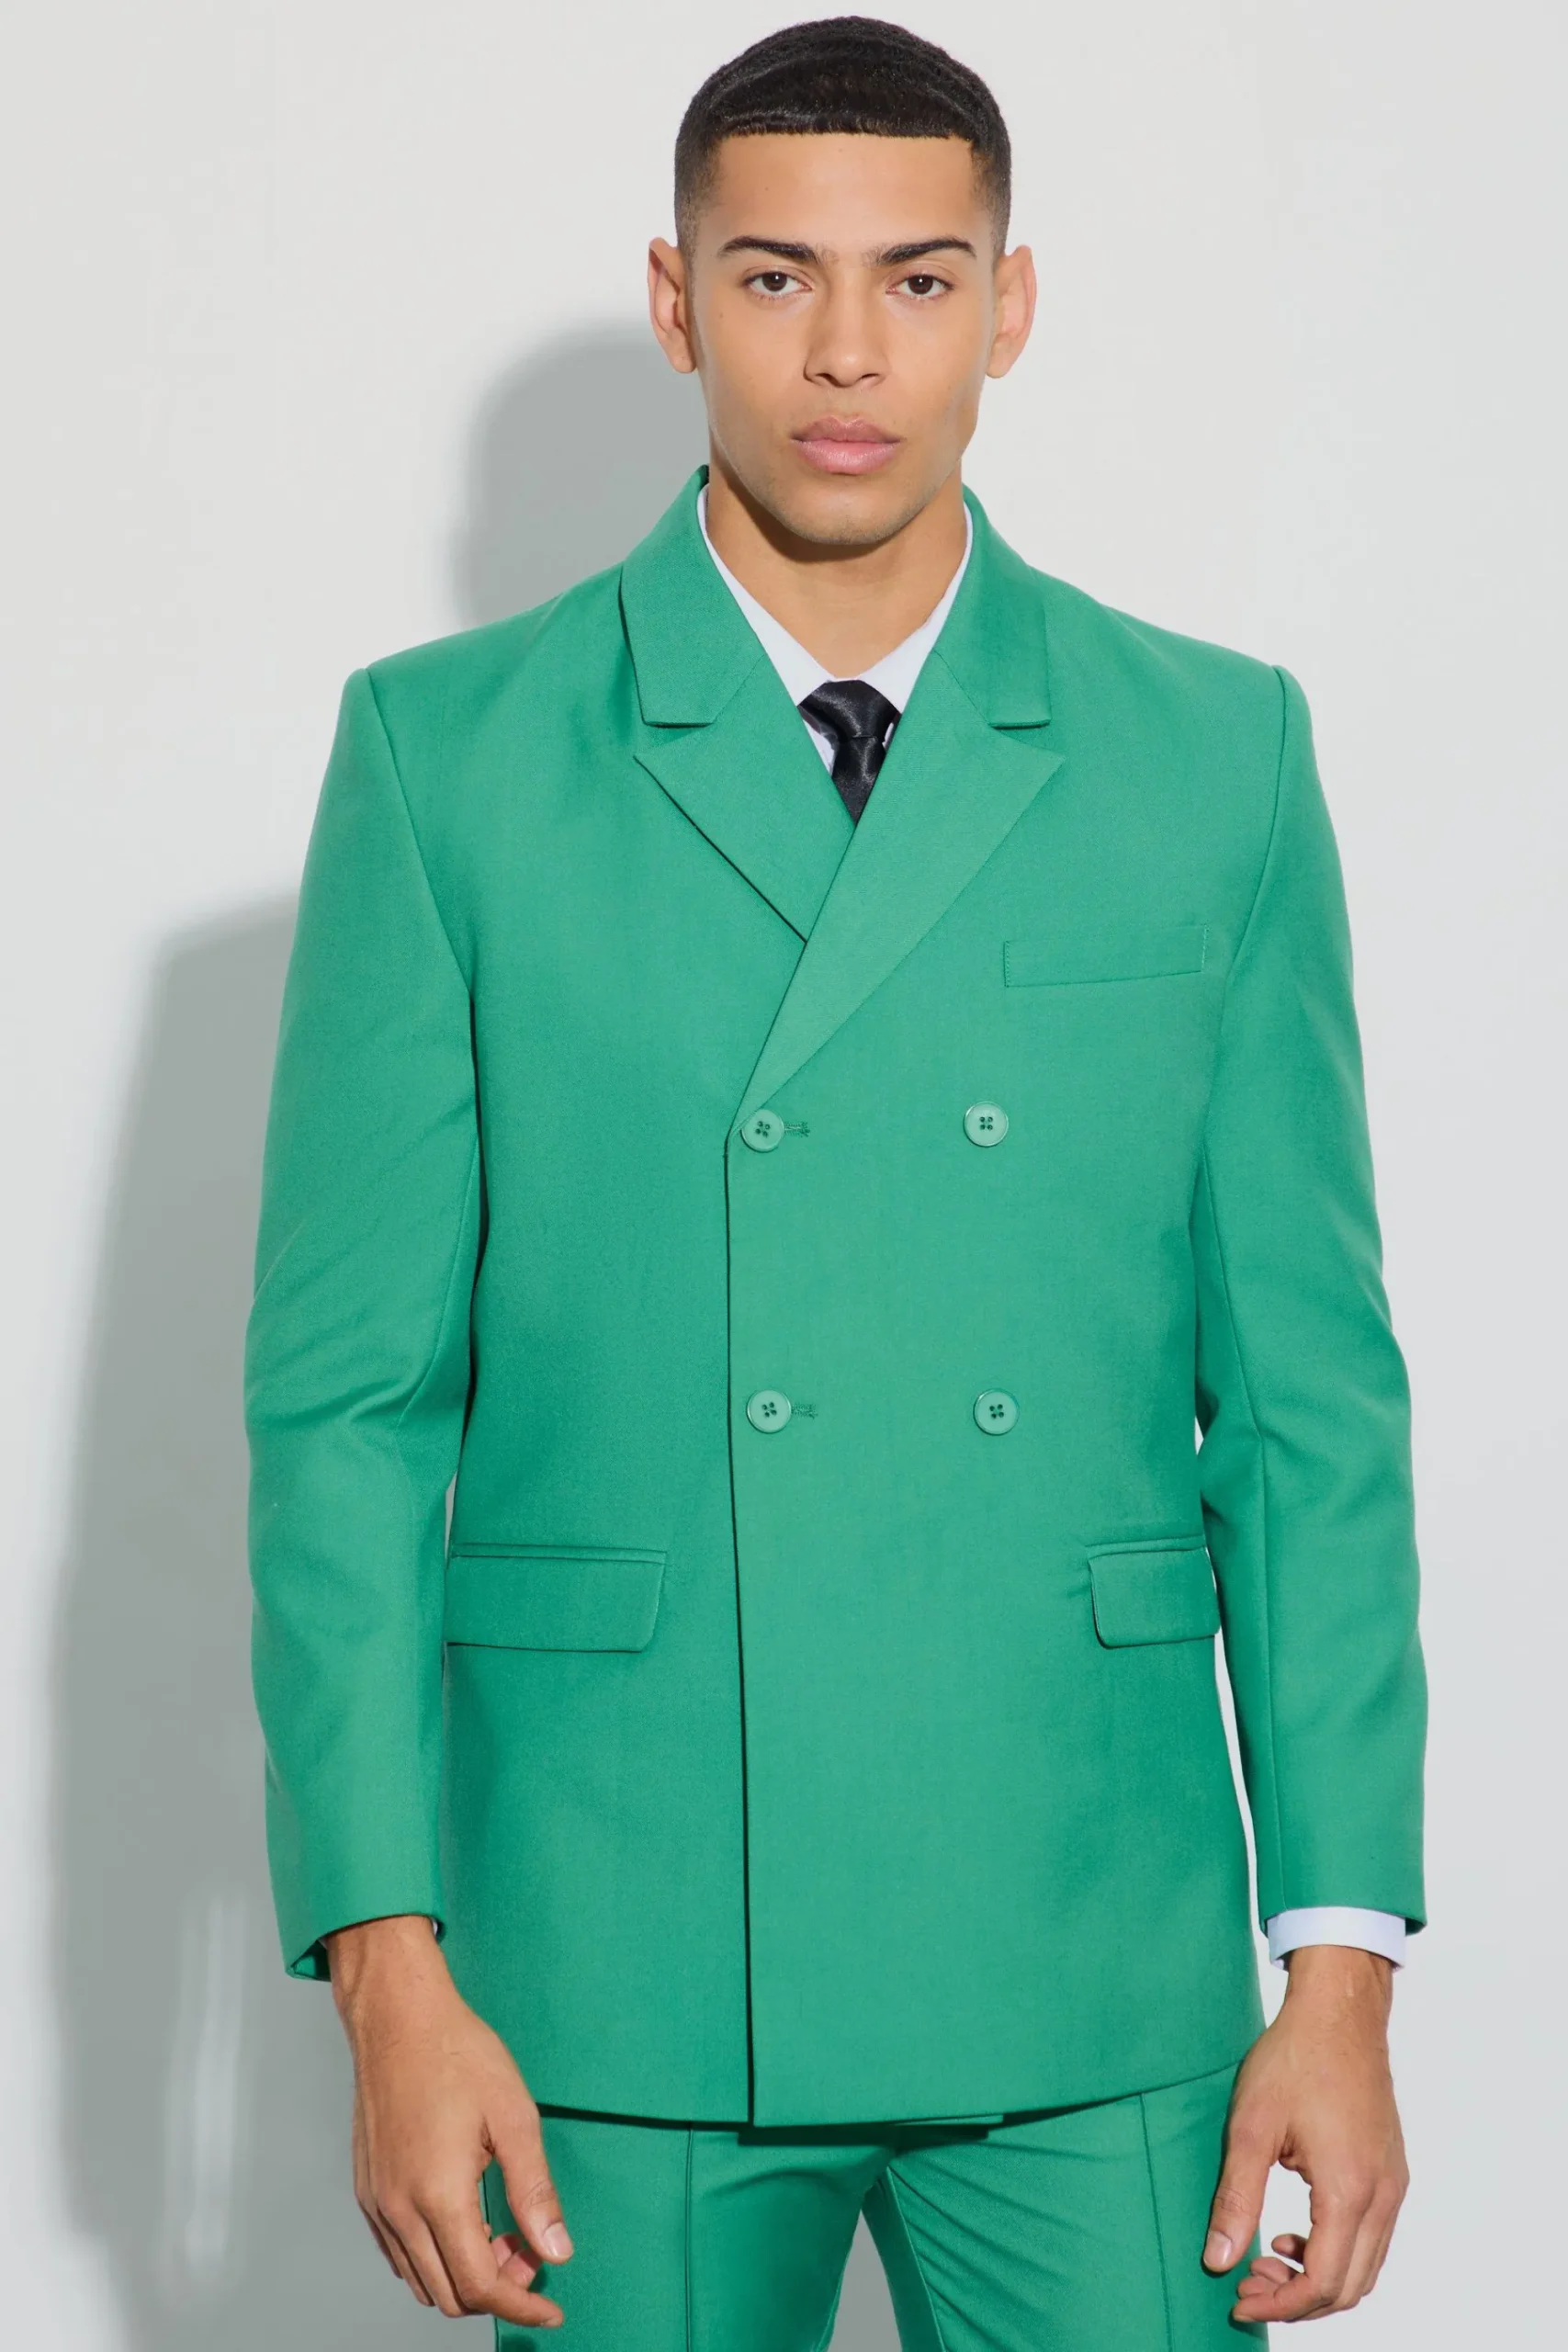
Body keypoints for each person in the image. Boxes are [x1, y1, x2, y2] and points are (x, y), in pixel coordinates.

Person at [243, 17, 1426, 2346]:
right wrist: (388, 1968)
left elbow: (1309, 1406)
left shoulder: (1213, 751)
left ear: (1010, 304)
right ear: (675, 302)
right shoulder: (448, 755)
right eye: (775, 277)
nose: (848, 353)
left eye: (918, 277)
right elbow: (347, 1417)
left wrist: (1340, 1961)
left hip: (1091, 1927)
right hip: (614, 1939)